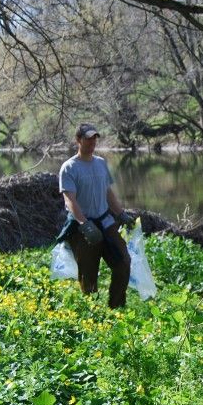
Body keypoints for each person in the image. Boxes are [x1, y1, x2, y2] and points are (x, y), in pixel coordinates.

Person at [57, 123, 134, 308]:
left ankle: (116, 307)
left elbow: (107, 192)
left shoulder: (100, 163)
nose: (92, 142)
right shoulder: (69, 167)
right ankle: (92, 311)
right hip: (82, 227)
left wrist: (121, 213)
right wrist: (84, 224)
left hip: (105, 221)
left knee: (123, 262)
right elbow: (70, 200)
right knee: (88, 274)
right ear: (78, 140)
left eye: (94, 138)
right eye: (87, 138)